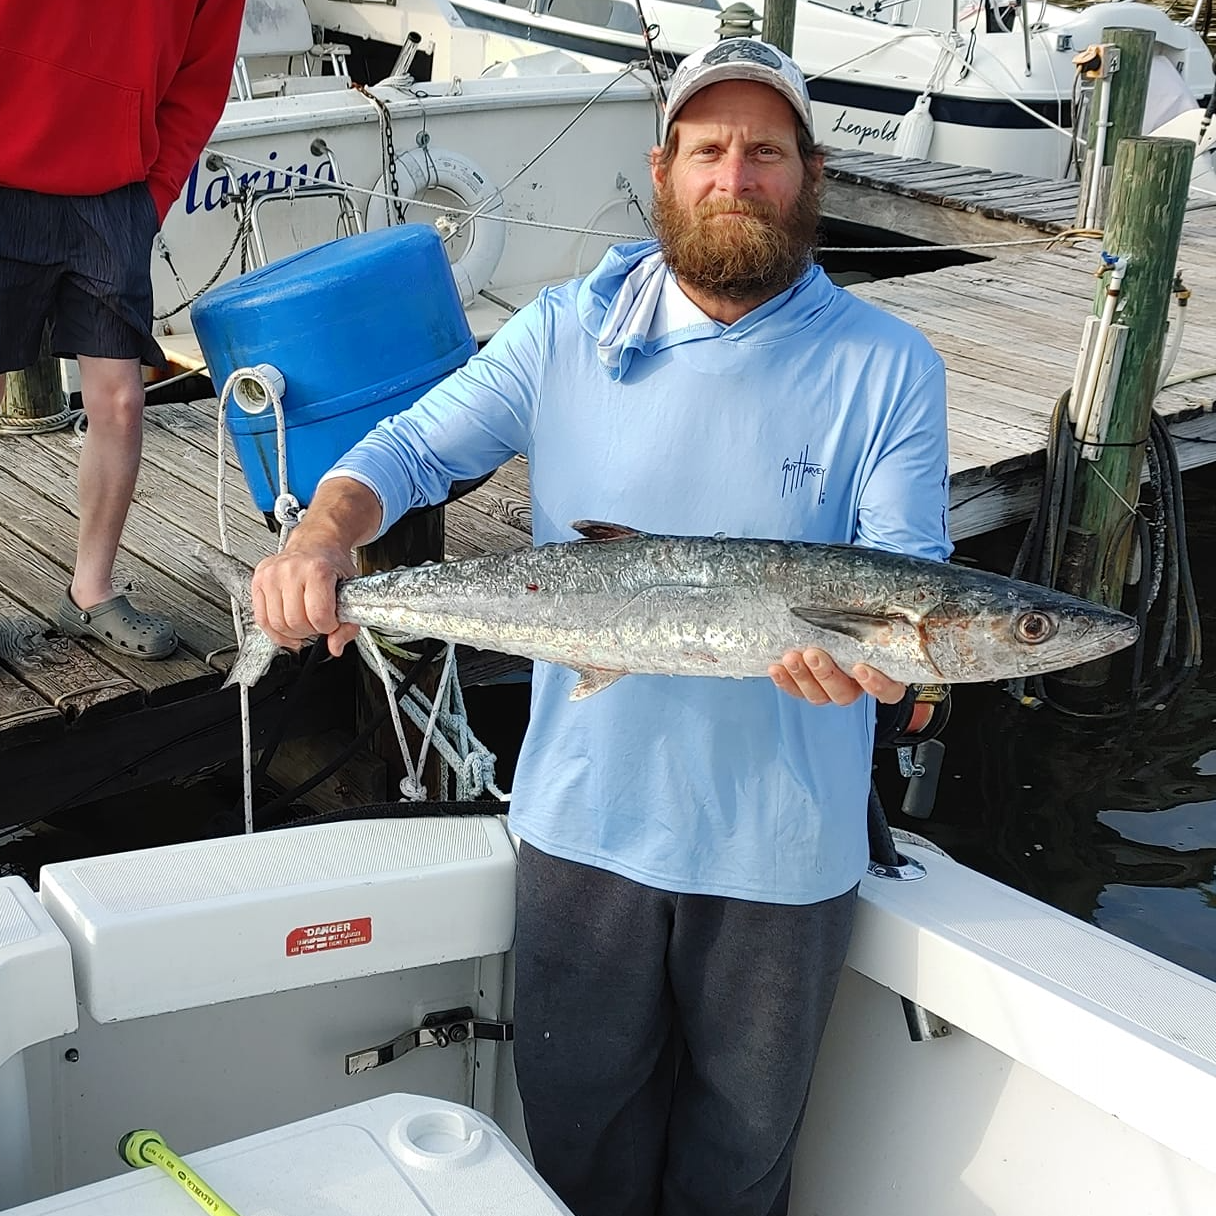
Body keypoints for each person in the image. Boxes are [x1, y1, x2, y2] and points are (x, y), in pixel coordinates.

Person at [252, 37, 951, 1216]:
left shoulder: (888, 365)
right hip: (582, 839)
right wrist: (327, 528)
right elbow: (413, 449)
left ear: (811, 173)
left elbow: (905, 583)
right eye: (710, 149)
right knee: (576, 1163)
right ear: (662, 168)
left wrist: (895, 679)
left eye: (765, 151)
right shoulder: (565, 329)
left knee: (738, 1176)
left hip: (783, 856)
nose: (736, 177)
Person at [0, 0, 247, 659]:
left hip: (116, 198)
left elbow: (201, 81)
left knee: (121, 400)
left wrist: (151, 197)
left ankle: (92, 590)